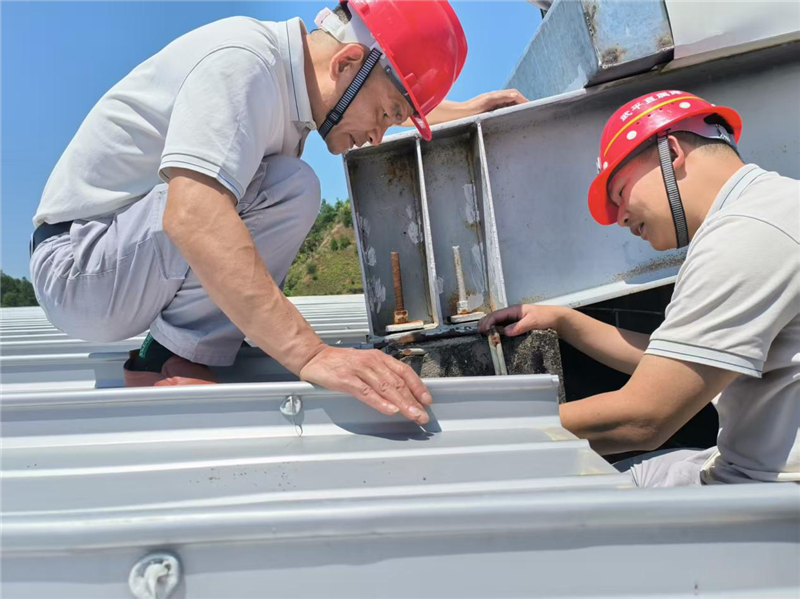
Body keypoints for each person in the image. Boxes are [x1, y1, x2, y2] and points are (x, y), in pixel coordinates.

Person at [29, 0, 527, 426]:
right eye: (386, 116)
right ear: (347, 62)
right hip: (79, 266)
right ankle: (163, 358)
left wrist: (462, 109)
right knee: (279, 187)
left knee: (287, 184)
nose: (379, 135)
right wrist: (311, 354)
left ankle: (175, 351)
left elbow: (373, 89)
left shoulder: (291, 81)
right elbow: (192, 215)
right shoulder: (244, 64)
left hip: (121, 260)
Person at [480, 90, 800, 486]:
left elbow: (644, 418)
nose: (619, 218)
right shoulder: (768, 207)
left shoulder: (747, 233)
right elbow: (677, 365)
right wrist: (563, 321)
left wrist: (491, 432)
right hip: (751, 463)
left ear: (672, 152)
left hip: (766, 490)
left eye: (620, 192)